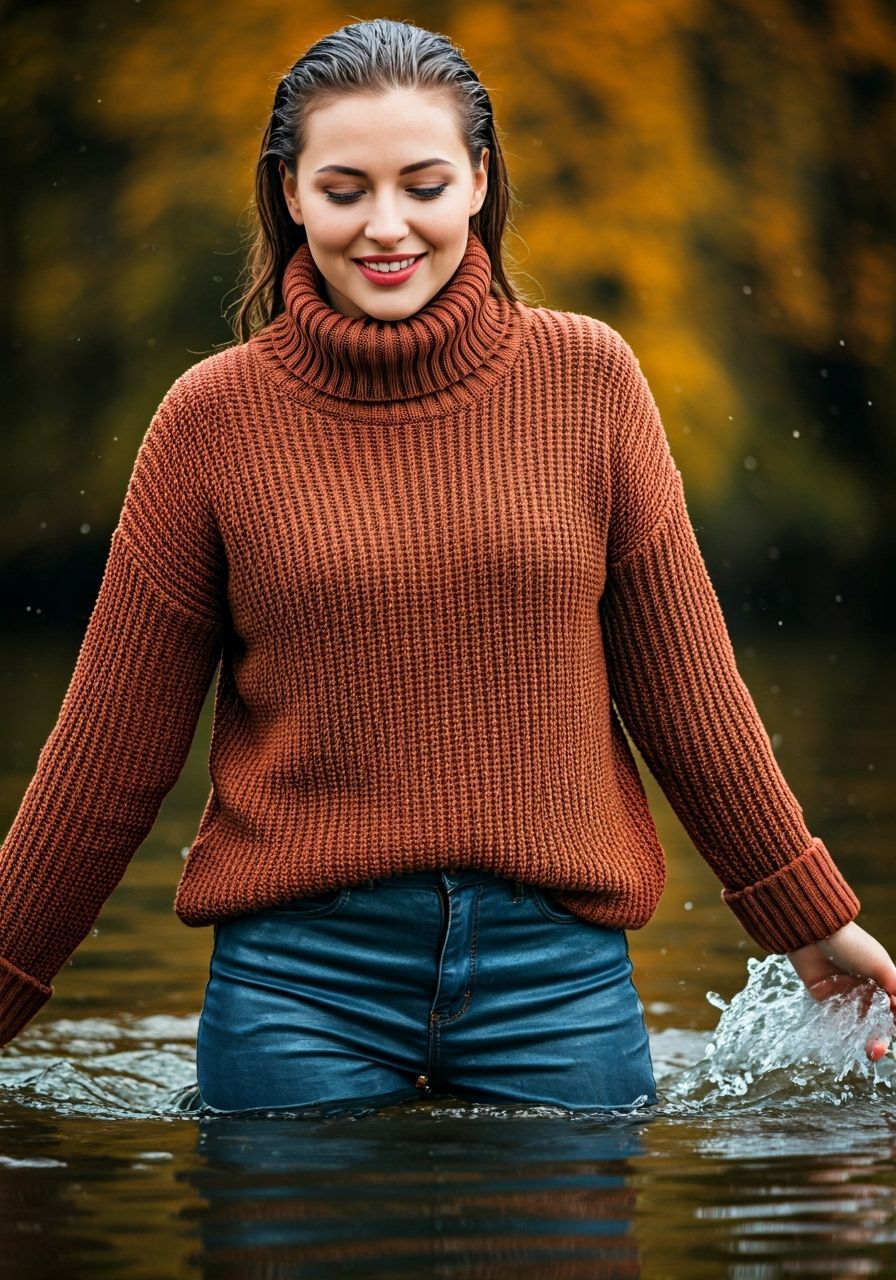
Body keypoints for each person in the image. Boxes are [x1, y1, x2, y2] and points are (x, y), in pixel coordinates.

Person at [1, 18, 893, 1116]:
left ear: (477, 180)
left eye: (422, 184)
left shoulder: (589, 380)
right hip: (296, 983)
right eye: (343, 189)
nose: (386, 226)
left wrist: (805, 915)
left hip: (555, 980)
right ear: (288, 193)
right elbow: (106, 756)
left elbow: (686, 692)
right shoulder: (209, 420)